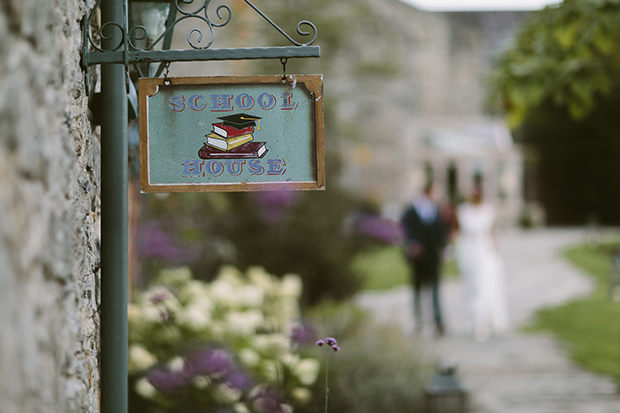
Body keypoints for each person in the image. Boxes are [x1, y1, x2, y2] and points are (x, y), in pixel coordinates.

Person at [454, 184, 509, 341]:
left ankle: (482, 322)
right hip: (467, 252)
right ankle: (473, 320)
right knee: (471, 288)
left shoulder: (489, 211)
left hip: (484, 253)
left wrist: (495, 254)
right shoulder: (463, 211)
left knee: (484, 287)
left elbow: (493, 233)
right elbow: (457, 231)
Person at [401, 183, 448, 337]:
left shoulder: (436, 211)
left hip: (432, 256)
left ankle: (438, 322)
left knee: (435, 290)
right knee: (417, 289)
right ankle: (418, 321)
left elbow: (441, 233)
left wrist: (443, 250)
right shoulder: (412, 211)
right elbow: (404, 230)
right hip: (418, 257)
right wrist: (411, 245)